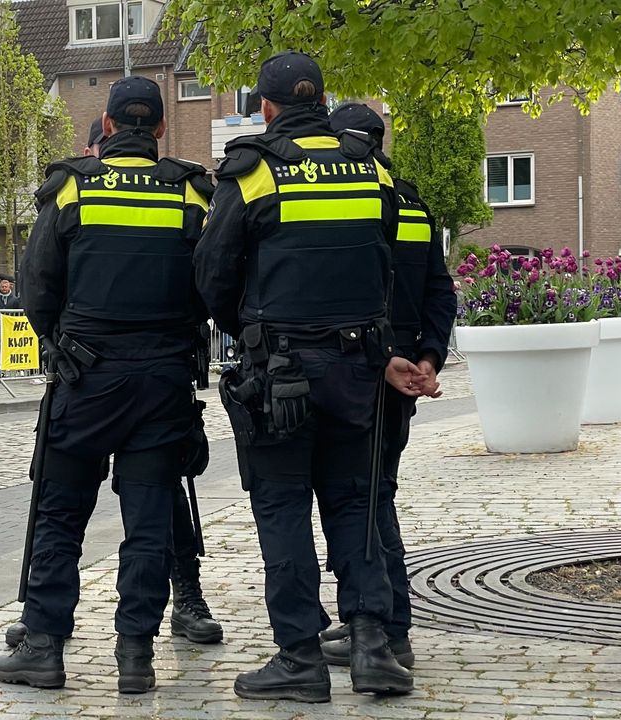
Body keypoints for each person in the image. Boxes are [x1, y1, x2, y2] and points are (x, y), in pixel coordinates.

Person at [195, 52, 426, 702]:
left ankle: (299, 657)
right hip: (360, 370)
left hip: (282, 377)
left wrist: (251, 331)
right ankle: (374, 645)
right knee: (355, 505)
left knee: (283, 508)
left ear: (265, 108)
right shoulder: (373, 171)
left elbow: (212, 275)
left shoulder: (254, 172)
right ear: (322, 100)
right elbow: (386, 266)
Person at [0, 75, 213, 694]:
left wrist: (63, 341)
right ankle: (135, 655)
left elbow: (36, 286)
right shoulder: (192, 194)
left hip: (86, 377)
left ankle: (44, 646)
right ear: (161, 128)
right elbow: (214, 281)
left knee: (61, 514)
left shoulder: (71, 189)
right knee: (147, 521)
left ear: (108, 127)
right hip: (163, 382)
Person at [318, 103, 457, 672]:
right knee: (376, 495)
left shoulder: (340, 198)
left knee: (359, 501)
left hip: (357, 364)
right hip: (402, 374)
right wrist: (427, 356)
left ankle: (384, 628)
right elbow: (439, 292)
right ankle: (374, 623)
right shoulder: (414, 201)